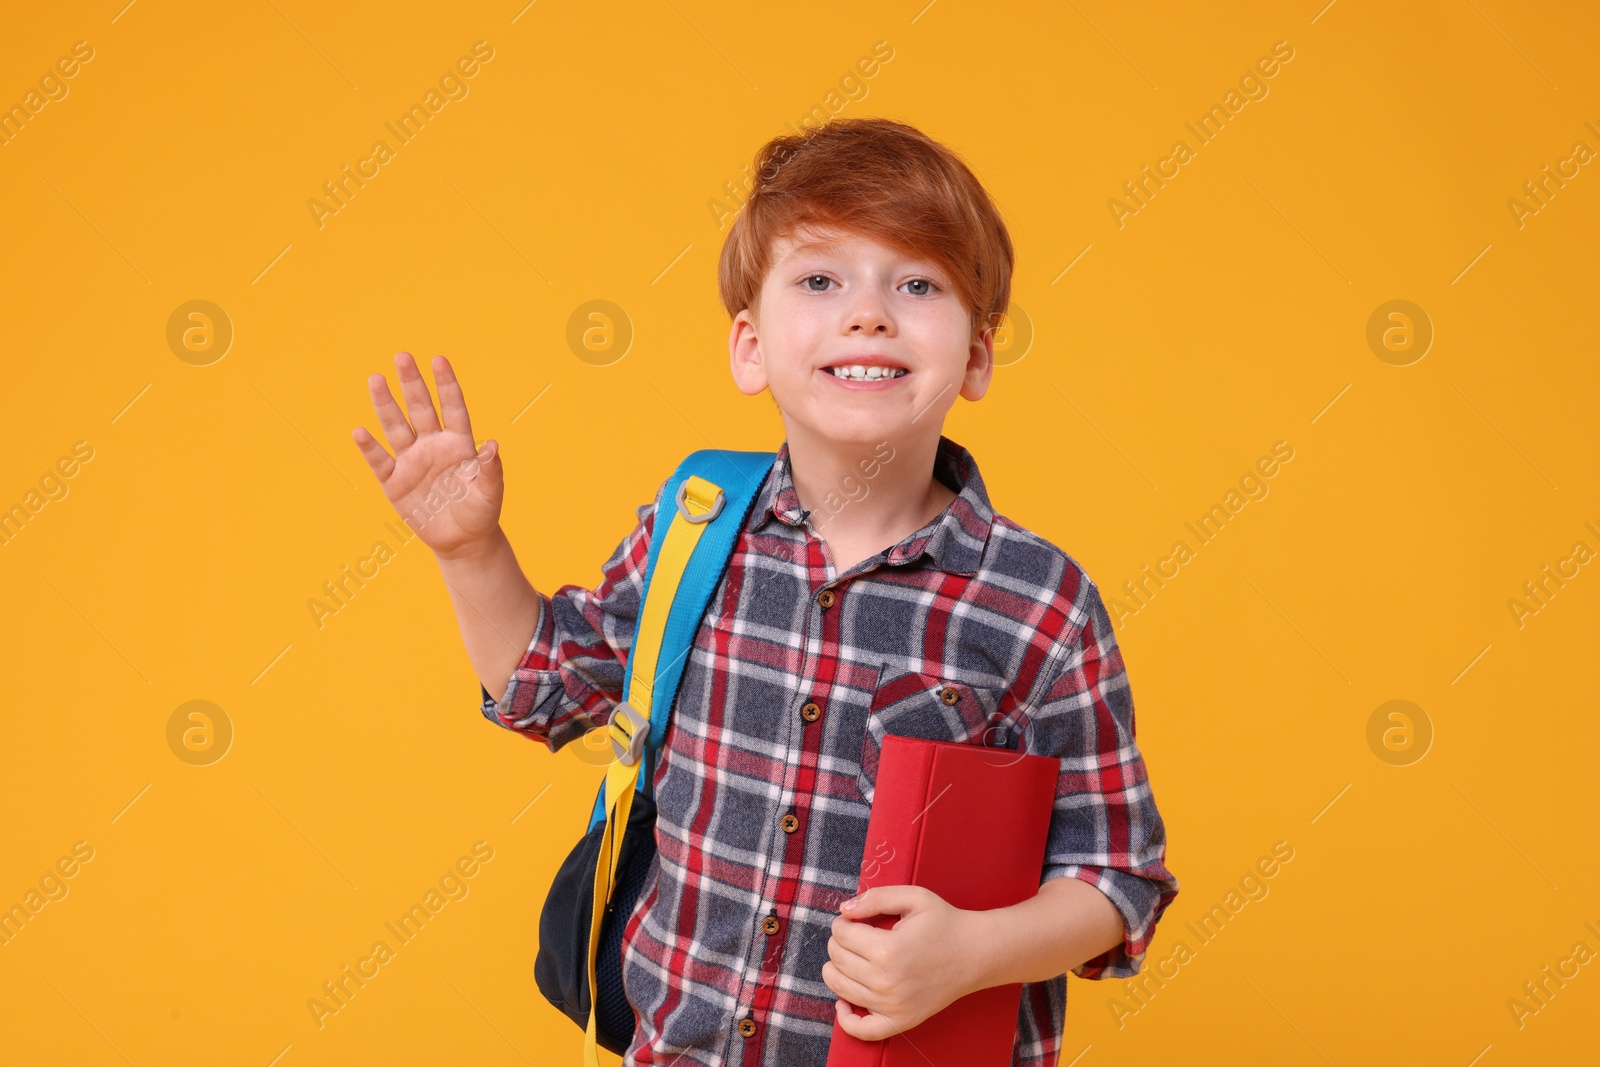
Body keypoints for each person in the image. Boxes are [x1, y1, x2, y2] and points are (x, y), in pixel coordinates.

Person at [352, 116, 1178, 1067]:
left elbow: (1117, 875)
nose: (868, 313)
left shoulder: (1037, 599)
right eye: (820, 280)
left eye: (917, 284)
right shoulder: (695, 526)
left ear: (979, 354)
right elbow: (549, 687)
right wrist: (470, 550)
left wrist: (972, 951)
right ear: (749, 348)